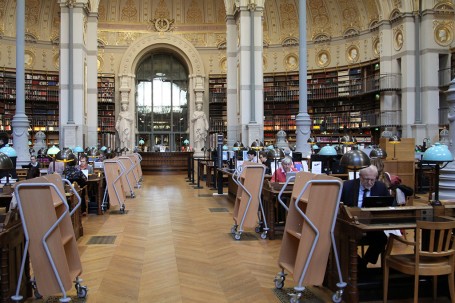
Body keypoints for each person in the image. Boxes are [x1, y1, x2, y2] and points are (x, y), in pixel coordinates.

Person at [340, 165, 390, 269]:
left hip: (372, 225)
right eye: (367, 179)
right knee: (344, 241)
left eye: (373, 180)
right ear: (360, 177)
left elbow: (390, 204)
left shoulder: (381, 187)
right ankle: (358, 262)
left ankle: (364, 262)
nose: (370, 183)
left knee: (382, 239)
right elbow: (339, 207)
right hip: (351, 225)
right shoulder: (347, 186)